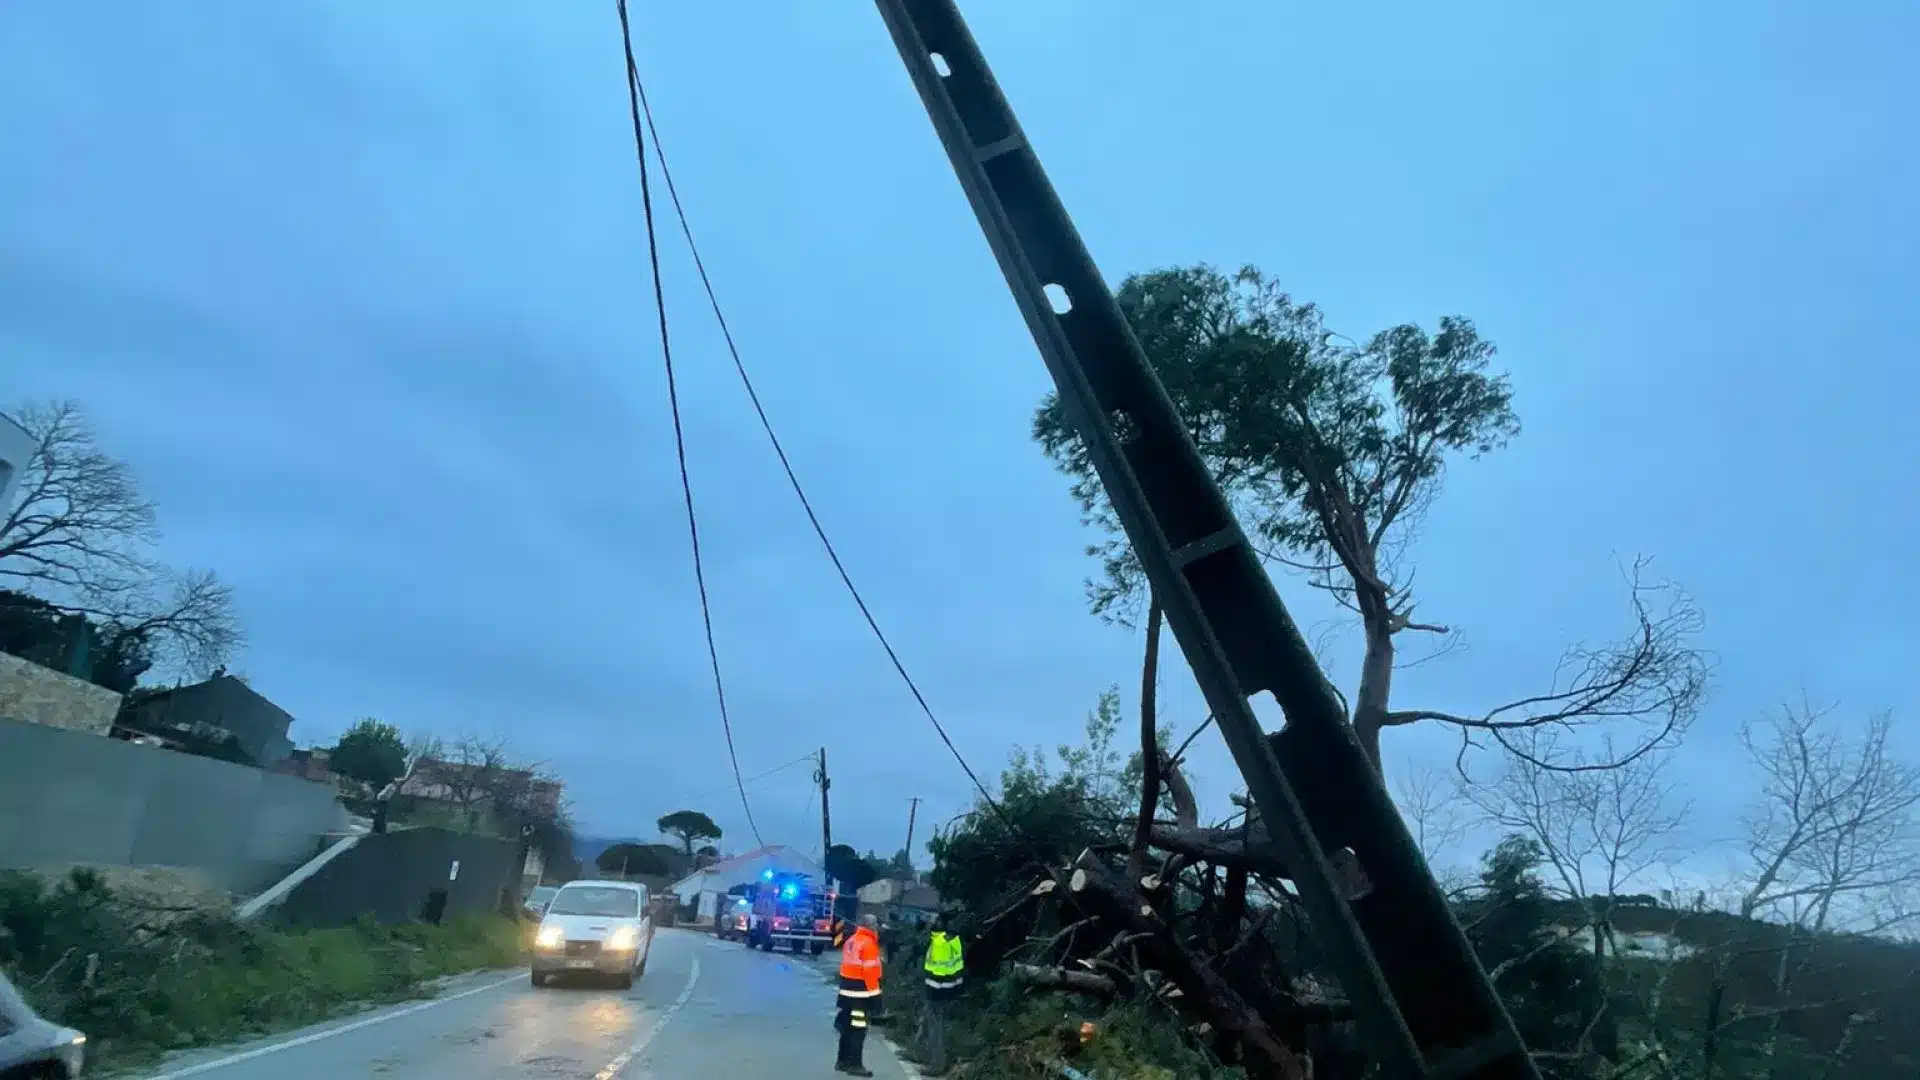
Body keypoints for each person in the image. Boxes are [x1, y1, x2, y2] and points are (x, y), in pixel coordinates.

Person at [834, 914, 884, 1076]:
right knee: (858, 1029)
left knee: (847, 1028)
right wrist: (876, 998)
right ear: (871, 926)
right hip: (860, 995)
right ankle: (855, 1064)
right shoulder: (868, 944)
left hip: (846, 993)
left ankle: (842, 1061)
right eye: (876, 924)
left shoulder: (852, 941)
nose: (877, 927)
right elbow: (869, 974)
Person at [920, 912, 965, 1076]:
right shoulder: (954, 940)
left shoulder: (940, 942)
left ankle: (937, 1065)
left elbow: (929, 935)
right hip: (948, 990)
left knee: (936, 1030)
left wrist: (930, 924)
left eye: (934, 919)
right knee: (935, 1027)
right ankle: (930, 1058)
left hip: (936, 991)